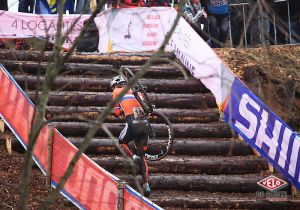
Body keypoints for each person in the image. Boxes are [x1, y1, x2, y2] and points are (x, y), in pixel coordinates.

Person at [111, 75, 151, 197]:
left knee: (122, 141)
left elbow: (116, 112)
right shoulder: (137, 92)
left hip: (133, 123)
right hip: (145, 124)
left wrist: (121, 111)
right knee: (143, 156)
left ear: (114, 85)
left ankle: (133, 157)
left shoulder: (117, 91)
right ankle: (147, 185)